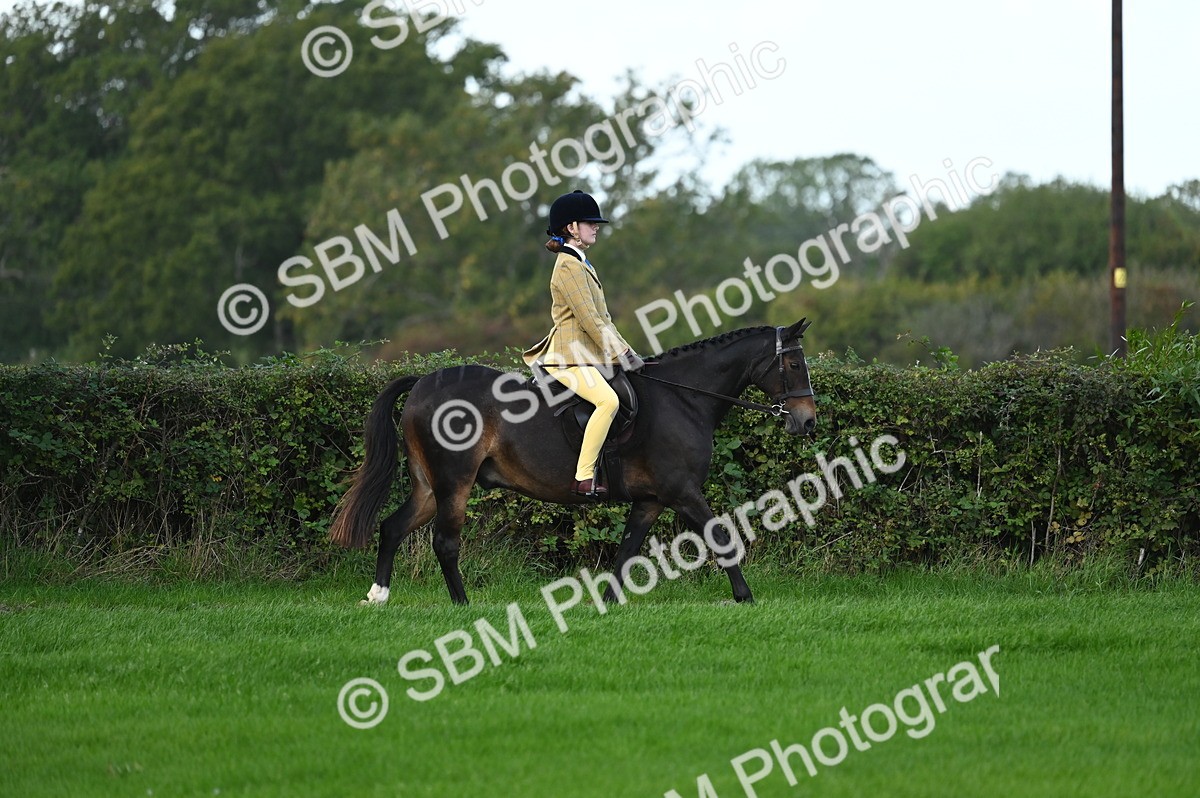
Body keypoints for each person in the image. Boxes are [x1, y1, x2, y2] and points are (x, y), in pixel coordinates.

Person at [523, 189, 646, 499]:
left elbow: (604, 318)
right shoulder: (568, 267)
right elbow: (590, 320)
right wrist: (620, 353)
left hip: (586, 356)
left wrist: (627, 351)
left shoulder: (582, 264)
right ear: (571, 228)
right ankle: (584, 476)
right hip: (567, 358)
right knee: (608, 402)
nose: (597, 227)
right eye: (590, 223)